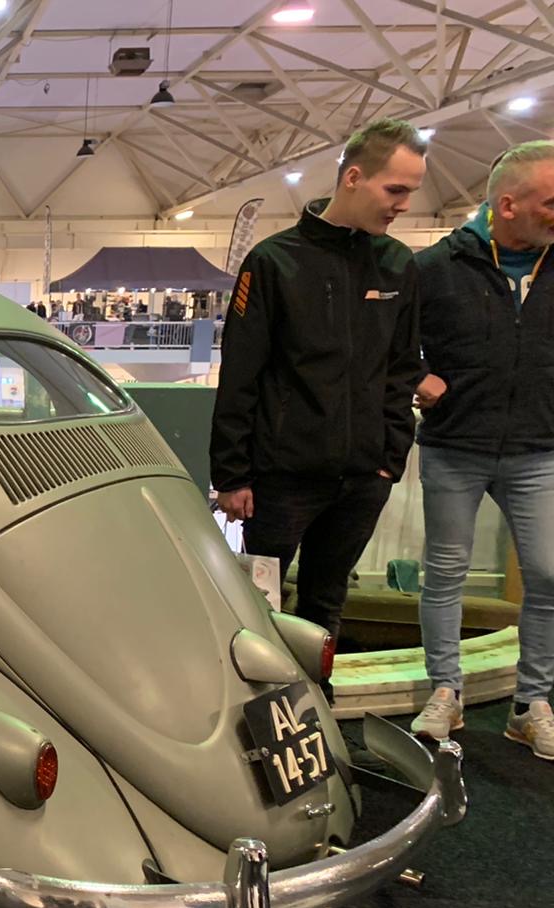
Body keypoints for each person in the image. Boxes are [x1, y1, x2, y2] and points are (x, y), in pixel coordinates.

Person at [211, 118, 428, 667]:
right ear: (353, 177)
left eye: (411, 192)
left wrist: (389, 460)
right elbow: (241, 373)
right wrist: (232, 475)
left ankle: (318, 705)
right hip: (282, 480)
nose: (404, 205)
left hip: (363, 480)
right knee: (257, 607)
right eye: (395, 190)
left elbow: (403, 367)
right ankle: (260, 707)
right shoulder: (273, 262)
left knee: (326, 606)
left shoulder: (398, 265)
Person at [409, 141, 554, 758]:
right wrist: (417, 376)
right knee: (444, 573)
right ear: (508, 204)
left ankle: (531, 705)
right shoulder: (435, 267)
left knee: (548, 575)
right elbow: (391, 343)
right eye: (552, 202)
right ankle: (446, 690)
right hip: (455, 445)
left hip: (540, 448)